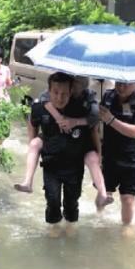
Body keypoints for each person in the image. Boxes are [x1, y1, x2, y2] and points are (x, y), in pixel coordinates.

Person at [14, 76, 112, 210]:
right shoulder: (57, 91)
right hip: (53, 138)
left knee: (92, 158)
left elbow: (94, 121)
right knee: (34, 144)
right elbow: (39, 109)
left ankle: (102, 194)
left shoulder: (88, 97)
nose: (69, 94)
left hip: (80, 139)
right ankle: (27, 181)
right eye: (72, 89)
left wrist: (75, 122)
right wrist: (58, 117)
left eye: (76, 90)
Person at [29, 72, 94, 234]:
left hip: (74, 165)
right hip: (51, 164)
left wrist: (76, 122)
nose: (59, 97)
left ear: (71, 91)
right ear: (49, 91)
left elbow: (94, 122)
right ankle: (54, 226)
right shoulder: (40, 106)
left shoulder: (80, 108)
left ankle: (71, 225)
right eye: (56, 93)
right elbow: (32, 122)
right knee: (52, 199)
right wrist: (32, 142)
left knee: (72, 200)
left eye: (64, 93)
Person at [98, 82, 135, 229]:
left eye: (126, 85)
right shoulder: (108, 96)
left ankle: (126, 228)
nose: (121, 87)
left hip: (132, 157)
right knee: (103, 193)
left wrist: (111, 120)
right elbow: (97, 126)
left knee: (127, 198)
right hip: (109, 155)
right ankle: (98, 219)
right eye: (119, 83)